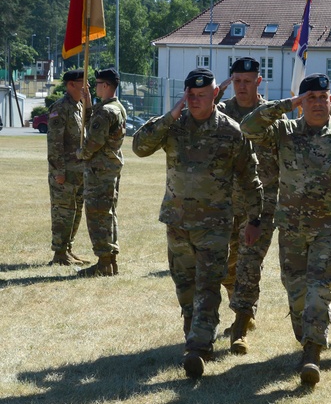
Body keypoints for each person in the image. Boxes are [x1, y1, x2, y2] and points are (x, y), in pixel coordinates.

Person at [241, 73, 331, 385]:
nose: (318, 103)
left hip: (329, 231)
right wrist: (286, 105)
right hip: (291, 230)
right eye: (310, 98)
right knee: (297, 291)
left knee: (320, 288)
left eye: (323, 97)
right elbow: (248, 127)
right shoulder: (284, 132)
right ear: (301, 103)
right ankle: (307, 337)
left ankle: (312, 353)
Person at [132, 68, 262, 379]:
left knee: (208, 286)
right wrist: (170, 115)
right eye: (191, 95)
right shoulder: (174, 128)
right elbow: (140, 147)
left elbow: (250, 178)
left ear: (215, 94)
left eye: (202, 95)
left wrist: (255, 219)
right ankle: (194, 331)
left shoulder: (232, 132)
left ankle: (198, 347)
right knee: (185, 286)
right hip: (177, 223)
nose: (195, 100)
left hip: (215, 226)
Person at [214, 56, 279, 355]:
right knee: (227, 268)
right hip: (226, 204)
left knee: (249, 264)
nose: (242, 86)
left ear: (258, 81)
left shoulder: (271, 115)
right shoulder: (220, 112)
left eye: (247, 81)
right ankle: (244, 310)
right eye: (237, 81)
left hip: (261, 205)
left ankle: (240, 327)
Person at [77, 68, 127, 277]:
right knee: (107, 213)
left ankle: (104, 262)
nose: (95, 87)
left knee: (98, 215)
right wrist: (87, 101)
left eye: (97, 84)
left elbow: (94, 141)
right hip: (108, 168)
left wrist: (82, 153)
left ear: (105, 85)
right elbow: (93, 123)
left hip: (100, 170)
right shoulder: (115, 107)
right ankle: (109, 261)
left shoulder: (107, 111)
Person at [47, 68, 88, 266]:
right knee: (62, 212)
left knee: (75, 211)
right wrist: (59, 172)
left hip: (79, 172)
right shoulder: (60, 108)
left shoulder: (79, 106)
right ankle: (59, 253)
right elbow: (55, 143)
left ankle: (68, 249)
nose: (86, 86)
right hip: (65, 173)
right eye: (83, 82)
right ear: (71, 84)